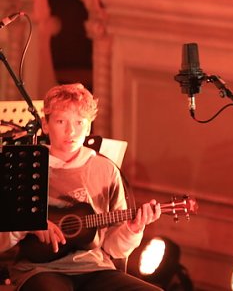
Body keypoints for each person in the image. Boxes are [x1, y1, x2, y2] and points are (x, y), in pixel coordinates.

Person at [0, 83, 162, 291]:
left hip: (95, 268)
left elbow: (114, 248)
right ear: (46, 125)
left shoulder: (105, 169)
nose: (71, 131)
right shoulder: (24, 166)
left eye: (79, 122)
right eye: (61, 121)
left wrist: (132, 229)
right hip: (39, 269)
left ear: (88, 127)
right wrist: (29, 222)